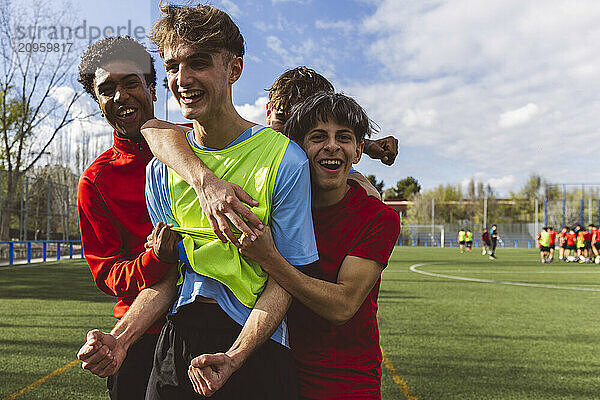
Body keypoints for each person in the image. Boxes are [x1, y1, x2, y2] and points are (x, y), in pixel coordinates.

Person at [78, 4, 318, 399]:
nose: (182, 79)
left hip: (253, 344)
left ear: (235, 70)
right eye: (172, 66)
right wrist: (121, 339)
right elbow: (171, 277)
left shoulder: (285, 159)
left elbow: (285, 279)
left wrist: (237, 356)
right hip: (175, 342)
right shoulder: (160, 170)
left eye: (199, 63)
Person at [190, 92, 400, 399]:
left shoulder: (377, 217)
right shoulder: (278, 203)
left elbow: (343, 305)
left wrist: (270, 258)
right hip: (276, 368)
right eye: (318, 137)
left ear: (357, 153)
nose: (331, 146)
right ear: (299, 149)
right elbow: (168, 131)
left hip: (345, 381)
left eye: (344, 138)